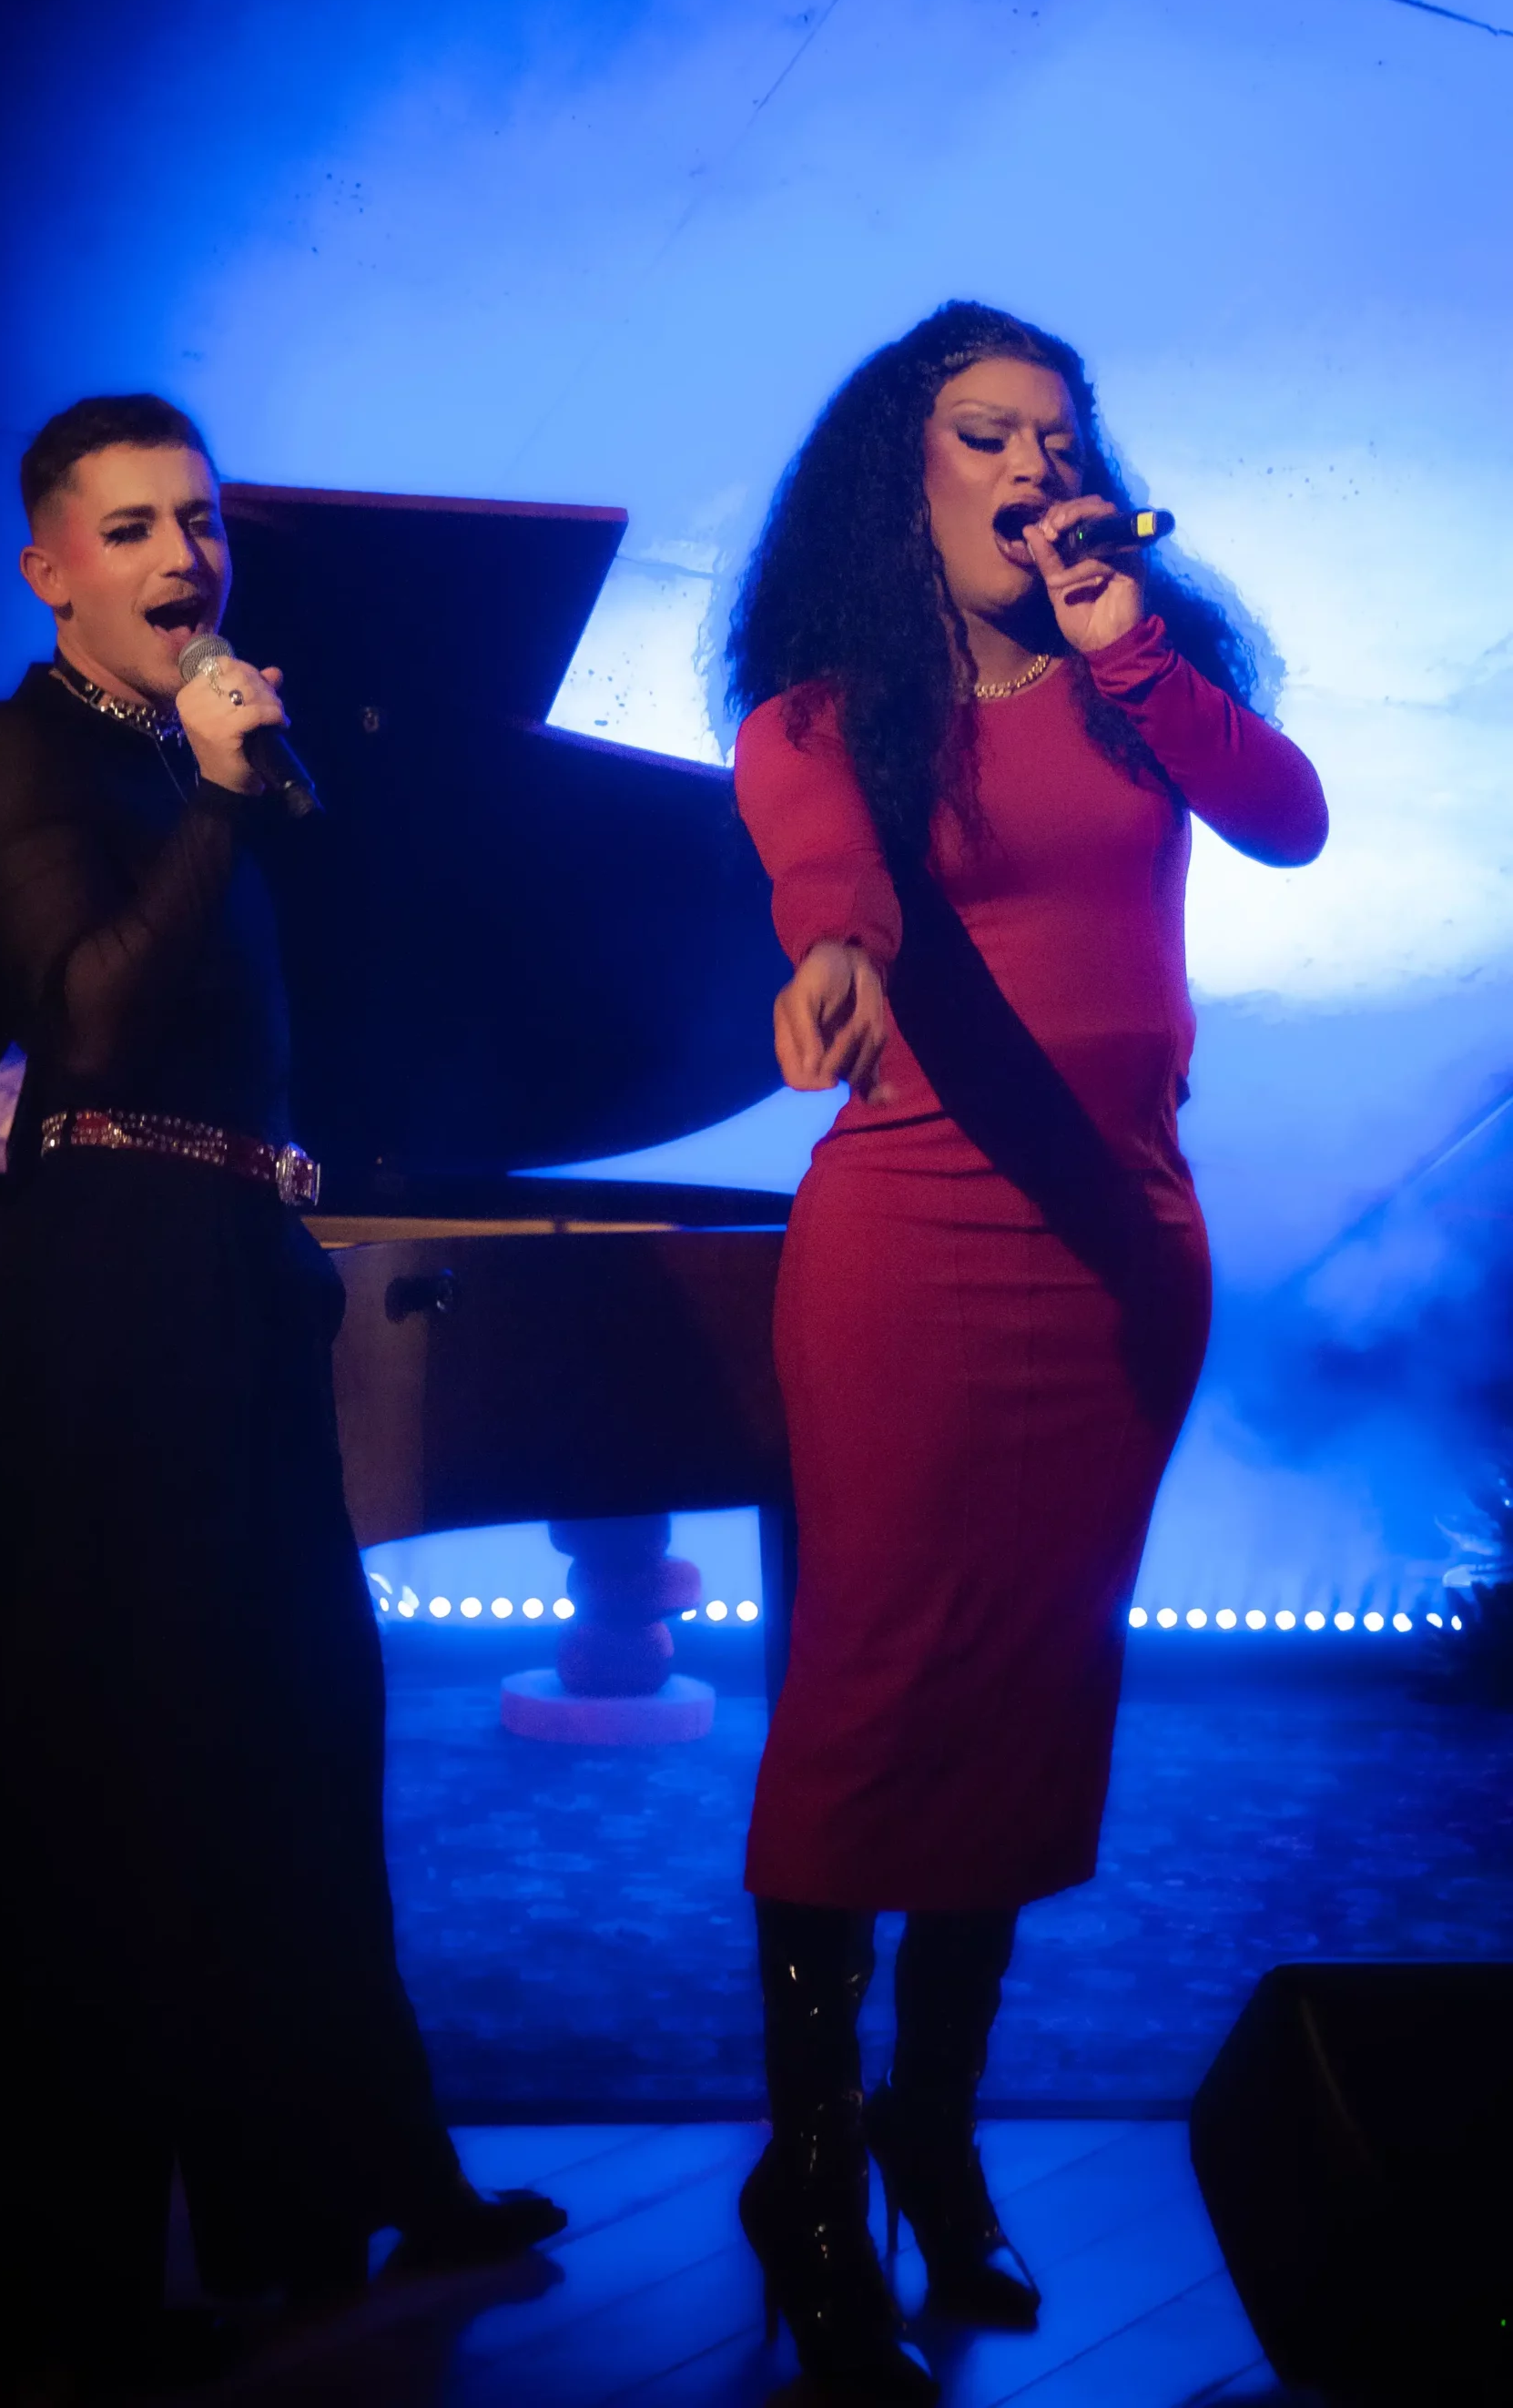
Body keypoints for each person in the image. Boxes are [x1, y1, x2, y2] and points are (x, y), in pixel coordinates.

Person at [0, 394, 563, 2403]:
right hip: (114, 1296)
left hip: (237, 1283)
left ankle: (362, 2187)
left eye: (198, 519)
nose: (183, 554)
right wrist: (209, 800)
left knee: (303, 1748)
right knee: (116, 1789)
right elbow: (80, 1015)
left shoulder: (181, 757)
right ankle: (71, 2296)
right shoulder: (22, 749)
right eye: (132, 528)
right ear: (50, 568)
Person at [727, 303, 1327, 2398]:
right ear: (902, 473)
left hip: (1123, 1253)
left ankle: (932, 2126)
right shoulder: (820, 714)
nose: (1028, 466)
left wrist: (1127, 648)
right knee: (876, 1688)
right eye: (983, 434)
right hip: (914, 1247)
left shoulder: (1142, 672)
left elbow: (1288, 823)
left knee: (1028, 1692)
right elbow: (832, 876)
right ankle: (810, 2175)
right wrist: (830, 953)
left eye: (1056, 437)